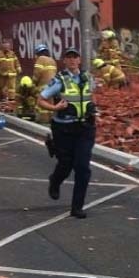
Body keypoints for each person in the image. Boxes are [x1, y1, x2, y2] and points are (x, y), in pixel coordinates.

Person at [37, 48, 96, 219]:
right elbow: (41, 100)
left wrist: (93, 110)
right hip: (64, 128)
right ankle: (55, 181)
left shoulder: (88, 78)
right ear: (64, 61)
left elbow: (92, 96)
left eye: (75, 57)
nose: (72, 60)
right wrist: (55, 108)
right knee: (66, 164)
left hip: (85, 128)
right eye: (68, 58)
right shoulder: (58, 80)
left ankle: (77, 207)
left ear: (80, 60)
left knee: (83, 167)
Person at [32, 43, 57, 123]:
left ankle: (43, 121)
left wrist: (34, 82)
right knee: (50, 105)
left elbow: (37, 73)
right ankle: (51, 120)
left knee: (42, 106)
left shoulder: (40, 59)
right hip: (52, 86)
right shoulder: (52, 60)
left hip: (42, 87)